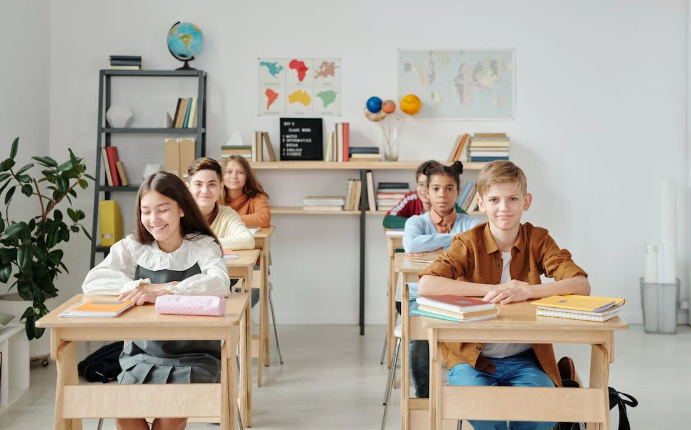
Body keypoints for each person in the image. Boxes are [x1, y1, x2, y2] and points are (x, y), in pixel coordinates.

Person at [418, 160, 591, 430]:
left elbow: (581, 285)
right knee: (484, 414)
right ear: (481, 203)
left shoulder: (539, 239)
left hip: (526, 358)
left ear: (526, 201)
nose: (504, 208)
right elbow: (428, 284)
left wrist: (528, 291)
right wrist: (491, 289)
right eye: (495, 199)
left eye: (512, 198)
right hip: (473, 360)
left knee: (541, 413)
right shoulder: (467, 242)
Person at [82, 171, 231, 430]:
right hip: (143, 354)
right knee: (125, 414)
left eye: (163, 210)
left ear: (182, 208)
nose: (154, 220)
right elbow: (93, 282)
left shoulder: (203, 246)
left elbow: (220, 283)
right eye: (146, 211)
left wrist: (166, 291)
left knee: (171, 414)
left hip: (194, 357)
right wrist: (140, 286)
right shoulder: (134, 247)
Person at [402, 161, 480, 399]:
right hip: (422, 297)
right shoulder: (416, 222)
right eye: (436, 189)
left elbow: (478, 238)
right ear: (427, 191)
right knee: (420, 335)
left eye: (448, 189)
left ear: (458, 192)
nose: (442, 195)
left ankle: (467, 396)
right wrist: (457, 240)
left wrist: (433, 245)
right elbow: (412, 244)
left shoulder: (470, 223)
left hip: (462, 296)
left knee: (482, 328)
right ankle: (424, 398)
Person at [187, 157, 254, 251]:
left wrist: (203, 243)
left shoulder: (227, 214)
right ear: (188, 188)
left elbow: (248, 241)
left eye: (212, 184)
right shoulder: (179, 214)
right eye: (198, 184)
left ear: (220, 187)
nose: (205, 191)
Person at [382, 160, 466, 229]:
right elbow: (388, 219)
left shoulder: (446, 203)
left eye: (434, 187)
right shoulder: (411, 199)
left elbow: (466, 220)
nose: (424, 189)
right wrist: (419, 224)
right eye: (421, 184)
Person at [221, 155, 271, 228]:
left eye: (240, 172)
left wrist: (229, 220)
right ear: (222, 176)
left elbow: (265, 219)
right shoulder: (214, 197)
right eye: (229, 172)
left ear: (246, 177)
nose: (234, 176)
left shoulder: (258, 197)